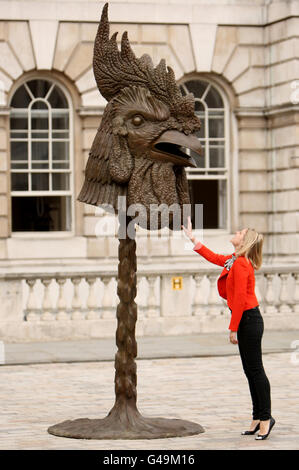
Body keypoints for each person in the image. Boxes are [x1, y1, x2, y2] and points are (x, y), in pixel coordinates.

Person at [181, 216, 275, 440]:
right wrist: (193, 238)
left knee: (256, 371)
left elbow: (241, 299)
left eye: (240, 232)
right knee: (250, 371)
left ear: (244, 242)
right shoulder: (235, 259)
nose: (236, 232)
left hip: (249, 320)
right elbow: (214, 257)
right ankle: (257, 417)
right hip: (246, 319)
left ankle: (265, 419)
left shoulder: (242, 264)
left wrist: (232, 329)